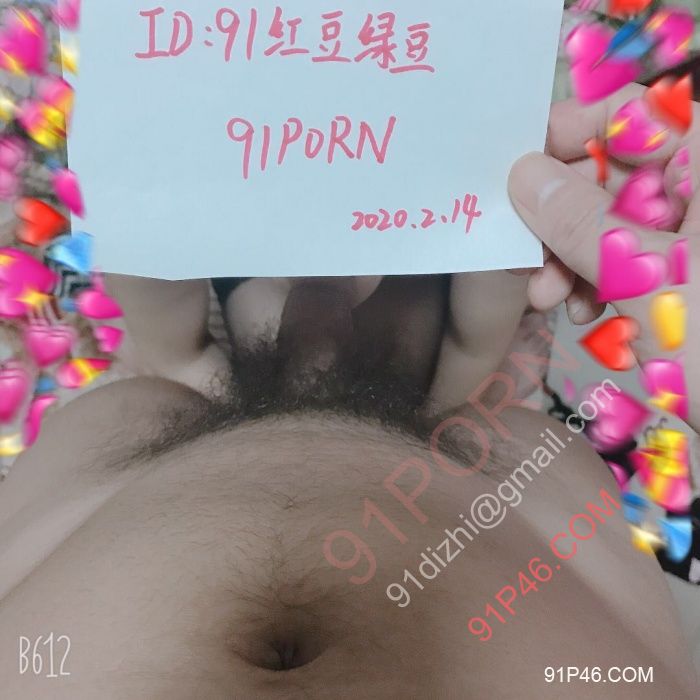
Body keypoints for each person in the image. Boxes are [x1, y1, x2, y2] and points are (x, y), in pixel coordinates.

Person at [0, 83, 698, 698]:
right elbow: (479, 327)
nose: (328, 314)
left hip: (145, 463)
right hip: (457, 458)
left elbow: (484, 309)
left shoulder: (170, 391)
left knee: (142, 397)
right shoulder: (461, 397)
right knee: (496, 405)